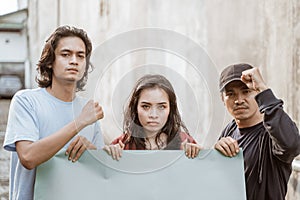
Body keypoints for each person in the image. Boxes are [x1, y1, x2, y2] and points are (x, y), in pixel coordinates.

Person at [3, 25, 104, 200]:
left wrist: (91, 152)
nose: (74, 61)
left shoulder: (89, 110)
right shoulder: (26, 101)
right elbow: (28, 157)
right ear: (50, 61)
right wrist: (79, 123)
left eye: (80, 56)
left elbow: (100, 175)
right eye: (65, 54)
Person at [214, 63, 300, 200]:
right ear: (222, 100)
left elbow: (292, 145)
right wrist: (216, 153)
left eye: (246, 91)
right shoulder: (229, 131)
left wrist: (264, 89)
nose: (239, 100)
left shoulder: (272, 134)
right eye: (231, 94)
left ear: (257, 93)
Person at [103, 74, 202, 160]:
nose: (153, 115)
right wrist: (108, 156)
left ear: (170, 109)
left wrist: (197, 156)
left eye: (161, 107)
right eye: (146, 106)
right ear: (135, 108)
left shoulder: (185, 142)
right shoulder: (122, 145)